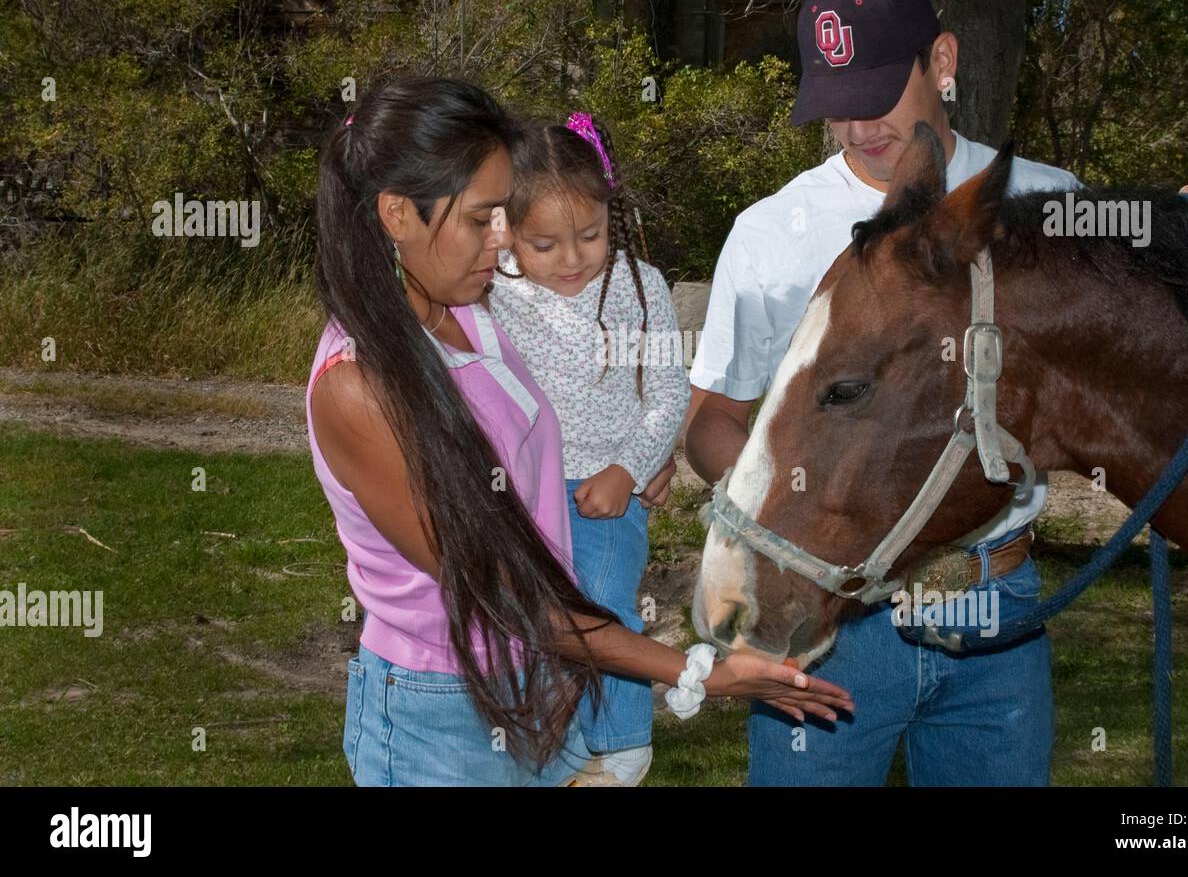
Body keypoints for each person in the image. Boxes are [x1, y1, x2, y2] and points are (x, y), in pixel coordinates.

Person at [307, 73, 852, 786]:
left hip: (536, 689)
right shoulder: (359, 386)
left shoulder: (466, 306)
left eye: (504, 214)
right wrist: (701, 670)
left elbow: (545, 428)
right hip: (436, 718)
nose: (500, 242)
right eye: (481, 219)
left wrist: (640, 455)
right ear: (396, 215)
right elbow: (511, 598)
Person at [685, 0, 1080, 786]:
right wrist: (782, 502)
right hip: (834, 611)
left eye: (877, 88)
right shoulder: (769, 232)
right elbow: (712, 416)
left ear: (942, 60)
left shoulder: (1050, 205)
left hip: (995, 604)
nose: (859, 123)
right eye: (834, 103)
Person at [488, 114, 691, 786]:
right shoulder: (492, 290)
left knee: (599, 599)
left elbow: (668, 395)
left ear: (613, 214)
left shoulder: (642, 288)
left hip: (606, 488)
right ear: (507, 231)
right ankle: (560, 747)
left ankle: (624, 744)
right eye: (546, 243)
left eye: (590, 234)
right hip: (518, 496)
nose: (572, 258)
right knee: (532, 629)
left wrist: (629, 468)